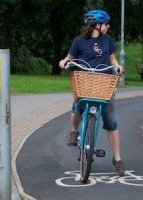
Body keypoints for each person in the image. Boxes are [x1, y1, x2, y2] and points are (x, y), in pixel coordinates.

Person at [59, 9, 125, 176]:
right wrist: (64, 62)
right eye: (106, 23)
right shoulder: (79, 41)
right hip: (85, 82)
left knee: (111, 121)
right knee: (77, 108)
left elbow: (112, 59)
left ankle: (117, 158)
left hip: (104, 84)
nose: (108, 26)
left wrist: (117, 66)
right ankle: (74, 132)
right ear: (97, 25)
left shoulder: (108, 40)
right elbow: (69, 58)